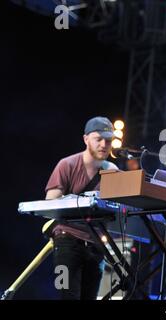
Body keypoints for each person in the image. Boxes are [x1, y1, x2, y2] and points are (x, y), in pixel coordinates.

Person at [45, 116, 119, 300]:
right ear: (86, 139)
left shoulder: (113, 170)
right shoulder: (67, 164)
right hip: (66, 243)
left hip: (96, 246)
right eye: (98, 139)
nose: (104, 144)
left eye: (108, 140)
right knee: (67, 296)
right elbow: (50, 203)